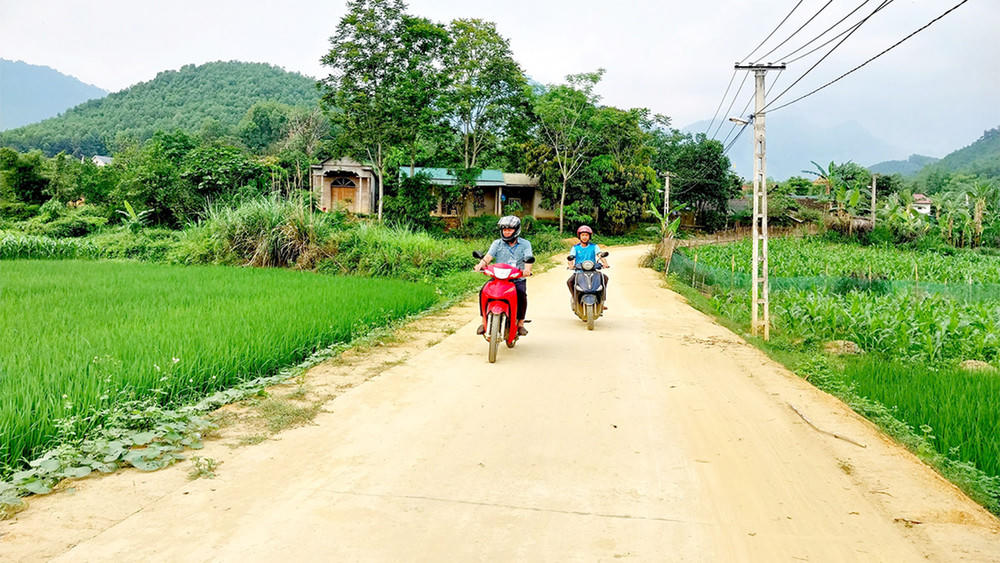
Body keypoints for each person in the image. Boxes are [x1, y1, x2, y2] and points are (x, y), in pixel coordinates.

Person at [473, 215, 533, 336]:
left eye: (509, 229)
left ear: (516, 230)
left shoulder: (525, 244)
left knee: (521, 294)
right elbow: (488, 257)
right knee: (483, 291)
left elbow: (528, 259)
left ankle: (520, 323)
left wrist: (527, 270)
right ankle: (483, 321)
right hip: (498, 278)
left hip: (517, 278)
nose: (506, 232)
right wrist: (480, 265)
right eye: (504, 229)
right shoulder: (497, 243)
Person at [566, 225, 609, 306]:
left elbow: (599, 255)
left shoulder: (594, 246)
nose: (584, 237)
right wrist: (571, 265)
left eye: (586, 235)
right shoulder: (575, 248)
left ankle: (601, 301)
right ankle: (575, 300)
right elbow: (571, 258)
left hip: (593, 271)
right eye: (583, 235)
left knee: (605, 278)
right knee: (569, 282)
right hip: (579, 271)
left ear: (589, 236)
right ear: (579, 236)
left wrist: (605, 263)